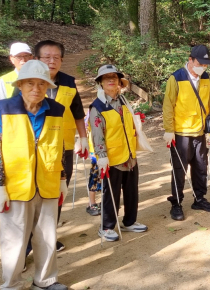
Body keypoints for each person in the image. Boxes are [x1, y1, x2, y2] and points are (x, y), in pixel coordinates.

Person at [0, 60, 69, 290]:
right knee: (14, 241)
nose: (36, 88)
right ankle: (11, 286)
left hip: (48, 182)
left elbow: (59, 146)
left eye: (41, 83)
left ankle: (44, 281)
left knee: (47, 236)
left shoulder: (56, 109)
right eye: (30, 83)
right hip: (15, 186)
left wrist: (62, 177)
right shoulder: (3, 108)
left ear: (48, 86)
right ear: (20, 84)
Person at [36, 40, 89, 251]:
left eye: (56, 57)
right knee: (35, 194)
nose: (51, 61)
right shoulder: (30, 82)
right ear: (37, 59)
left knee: (59, 192)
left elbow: (77, 112)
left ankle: (49, 234)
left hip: (63, 146)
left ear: (61, 60)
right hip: (36, 148)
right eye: (46, 57)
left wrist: (83, 138)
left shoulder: (68, 81)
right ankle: (28, 245)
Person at [89, 65, 147, 242]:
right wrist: (101, 156)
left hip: (129, 155)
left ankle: (129, 221)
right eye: (106, 78)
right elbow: (97, 134)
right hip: (111, 158)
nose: (111, 80)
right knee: (111, 194)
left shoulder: (124, 101)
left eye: (114, 77)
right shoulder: (97, 106)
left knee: (131, 191)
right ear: (100, 82)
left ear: (119, 82)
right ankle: (106, 227)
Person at [163, 45, 210, 221]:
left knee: (201, 166)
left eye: (205, 64)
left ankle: (199, 198)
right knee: (179, 169)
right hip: (181, 132)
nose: (202, 67)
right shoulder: (176, 78)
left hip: (200, 131)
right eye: (199, 63)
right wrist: (169, 130)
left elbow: (209, 104)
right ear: (190, 60)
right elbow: (168, 106)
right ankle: (176, 203)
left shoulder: (206, 78)